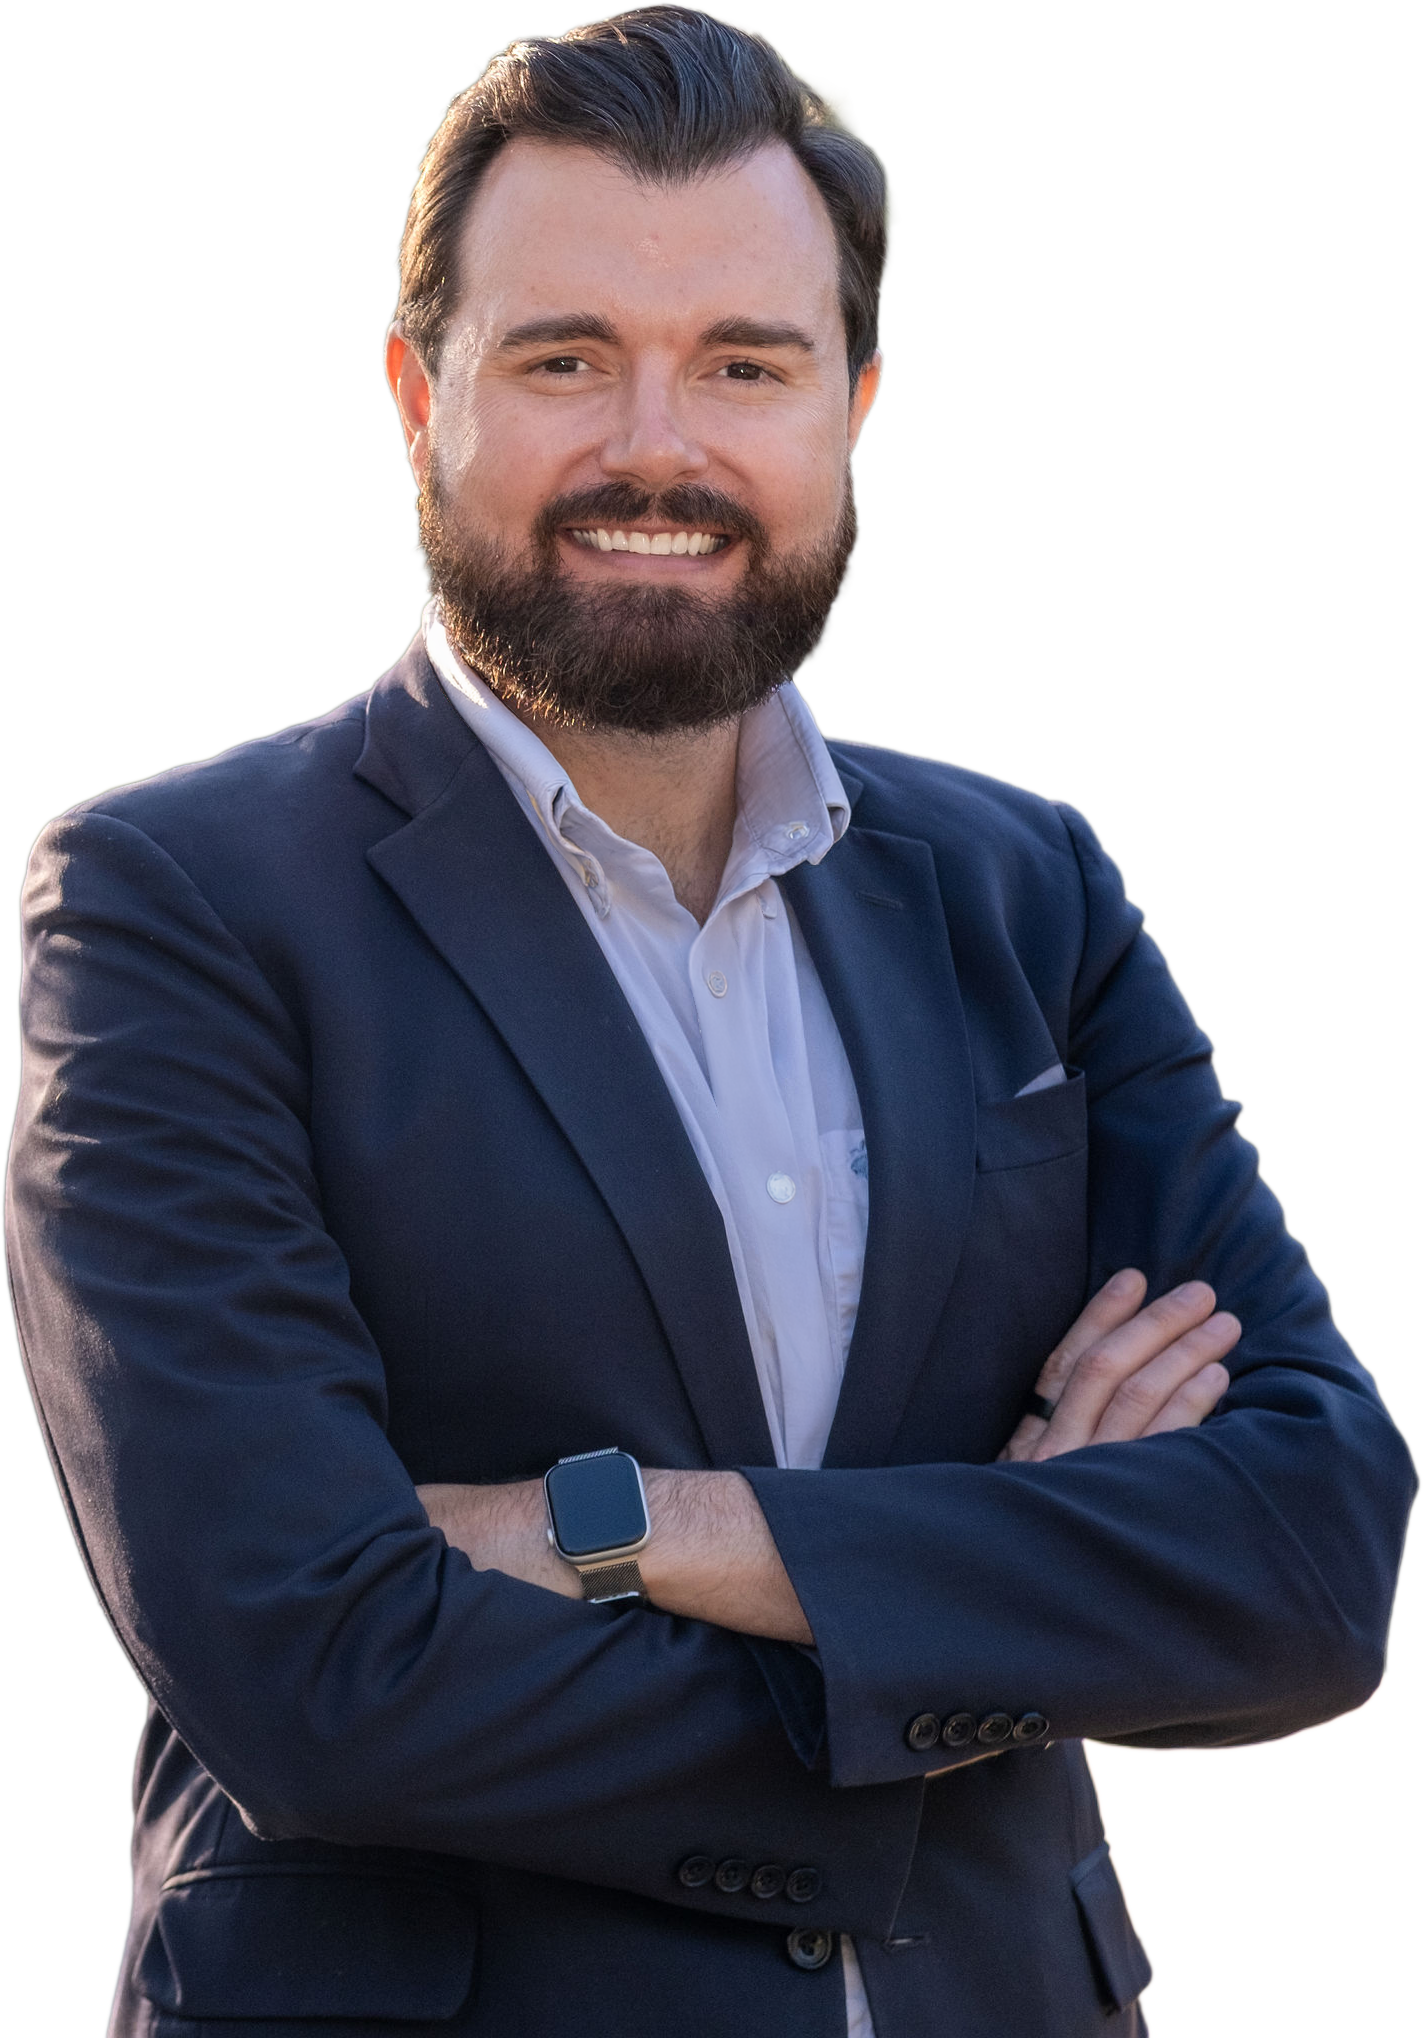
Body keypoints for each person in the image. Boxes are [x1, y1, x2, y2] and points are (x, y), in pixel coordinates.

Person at [6, 11, 1412, 2036]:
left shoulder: (1023, 891)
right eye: (565, 358)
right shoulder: (179, 903)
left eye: (744, 364)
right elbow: (311, 1669)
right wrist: (1005, 1596)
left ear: (851, 403)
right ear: (421, 396)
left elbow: (1304, 1556)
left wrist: (634, 1531)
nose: (655, 448)